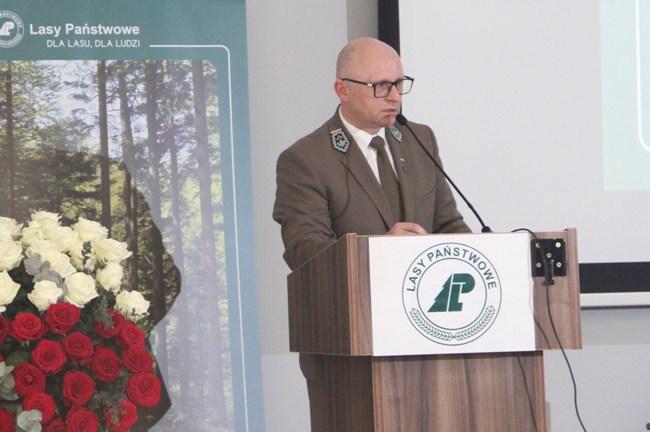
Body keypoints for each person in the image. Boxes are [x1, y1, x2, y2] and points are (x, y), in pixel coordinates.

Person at [273, 37, 472, 431]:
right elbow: (305, 250)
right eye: (380, 86)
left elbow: (448, 224)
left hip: (432, 341)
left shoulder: (420, 141)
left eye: (399, 83)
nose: (394, 96)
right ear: (342, 90)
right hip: (350, 353)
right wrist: (381, 250)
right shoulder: (305, 160)